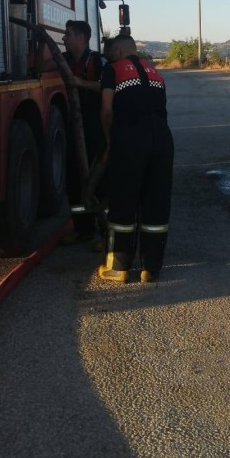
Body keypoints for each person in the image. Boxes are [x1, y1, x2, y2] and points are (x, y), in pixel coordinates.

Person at [98, 35, 174, 284]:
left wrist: (109, 141)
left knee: (123, 200)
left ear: (120, 49)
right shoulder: (155, 72)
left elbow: (107, 110)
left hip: (130, 139)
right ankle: (150, 268)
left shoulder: (112, 70)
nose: (109, 57)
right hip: (162, 140)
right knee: (156, 201)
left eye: (111, 52)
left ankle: (118, 268)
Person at [40, 20, 105, 241]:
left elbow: (107, 87)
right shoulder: (65, 59)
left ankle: (106, 231)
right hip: (75, 127)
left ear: (81, 38)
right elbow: (41, 67)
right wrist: (42, 41)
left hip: (96, 129)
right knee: (74, 179)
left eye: (68, 35)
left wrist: (80, 83)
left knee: (99, 179)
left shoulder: (97, 61)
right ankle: (83, 229)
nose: (64, 38)